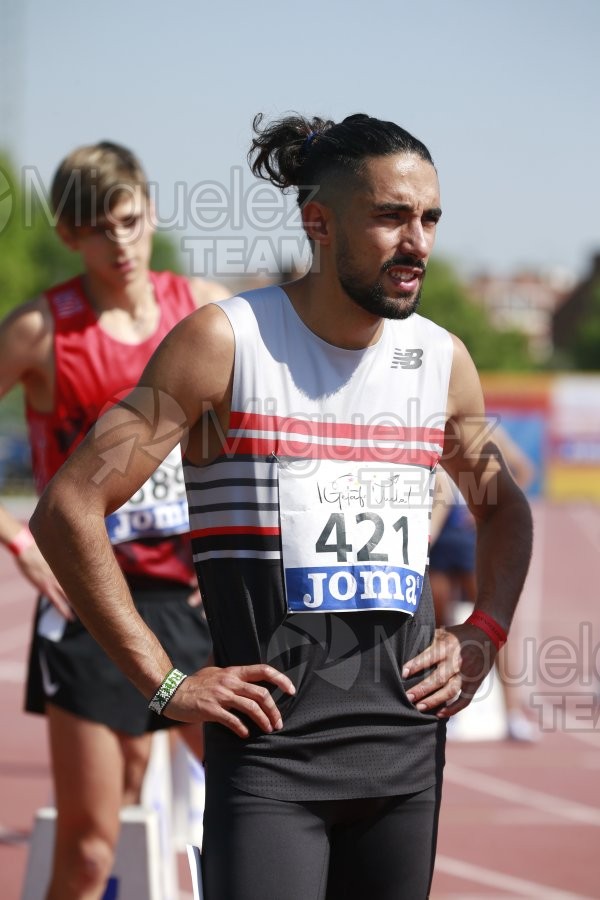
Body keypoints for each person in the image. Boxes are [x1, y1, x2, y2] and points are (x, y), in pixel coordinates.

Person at [30, 114, 533, 900]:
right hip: (272, 761)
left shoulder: (440, 360)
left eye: (430, 218)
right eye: (392, 216)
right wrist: (165, 683)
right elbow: (68, 508)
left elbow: (505, 509)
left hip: (406, 757)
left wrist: (486, 632)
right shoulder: (225, 344)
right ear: (318, 223)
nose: (419, 243)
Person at [0, 141, 229, 900]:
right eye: (99, 228)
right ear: (70, 235)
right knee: (94, 848)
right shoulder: (40, 330)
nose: (120, 241)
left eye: (130, 220)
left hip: (193, 604)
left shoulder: (201, 309)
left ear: (151, 210)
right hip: (91, 607)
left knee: (254, 810)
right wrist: (16, 538)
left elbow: (251, 444)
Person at [429, 423, 538, 740]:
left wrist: (491, 510)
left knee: (492, 624)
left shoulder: (488, 430)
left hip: (469, 537)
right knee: (438, 629)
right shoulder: (428, 424)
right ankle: (447, 712)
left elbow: (524, 471)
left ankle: (513, 714)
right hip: (438, 536)